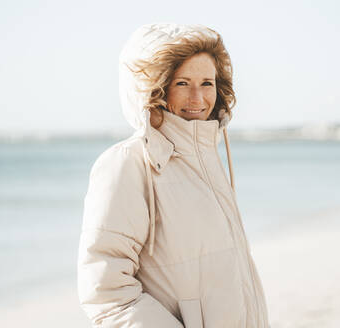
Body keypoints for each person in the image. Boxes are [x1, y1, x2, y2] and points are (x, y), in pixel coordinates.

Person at [77, 23, 270, 328]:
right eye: (182, 83)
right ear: (155, 87)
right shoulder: (128, 163)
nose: (198, 98)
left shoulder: (208, 157)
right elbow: (106, 291)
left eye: (207, 83)